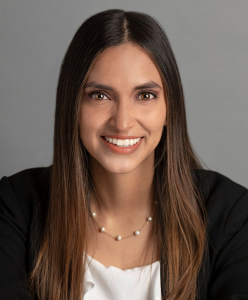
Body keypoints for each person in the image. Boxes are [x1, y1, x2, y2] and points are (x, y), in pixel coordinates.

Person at [0, 8, 247, 300]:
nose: (123, 122)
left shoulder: (232, 216)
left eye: (145, 96)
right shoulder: (14, 209)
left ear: (170, 109)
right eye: (100, 96)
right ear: (73, 108)